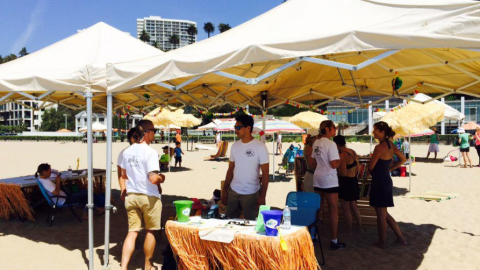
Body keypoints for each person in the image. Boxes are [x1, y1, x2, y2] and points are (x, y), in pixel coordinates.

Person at [120, 120, 165, 270]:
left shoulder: (127, 151)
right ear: (146, 132)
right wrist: (162, 178)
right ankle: (148, 266)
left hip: (131, 195)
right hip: (148, 196)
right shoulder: (151, 152)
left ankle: (123, 267)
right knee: (150, 231)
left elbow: (124, 175)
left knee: (132, 232)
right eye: (153, 130)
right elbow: (153, 178)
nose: (155, 133)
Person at [221, 115, 269, 220]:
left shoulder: (260, 147)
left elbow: (265, 174)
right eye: (235, 127)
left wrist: (262, 196)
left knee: (250, 227)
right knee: (229, 223)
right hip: (233, 192)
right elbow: (230, 169)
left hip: (251, 194)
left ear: (248, 128)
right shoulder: (234, 146)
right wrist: (225, 190)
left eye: (238, 127)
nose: (236, 130)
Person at [369, 121, 407, 249]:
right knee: (383, 212)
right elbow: (403, 159)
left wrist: (381, 168)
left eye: (375, 130)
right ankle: (400, 237)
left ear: (382, 132)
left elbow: (371, 168)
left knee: (380, 214)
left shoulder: (379, 148)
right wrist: (389, 169)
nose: (373, 132)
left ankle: (382, 242)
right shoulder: (391, 145)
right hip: (386, 179)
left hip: (379, 181)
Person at [308, 120, 345, 250]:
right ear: (328, 129)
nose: (335, 130)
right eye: (334, 128)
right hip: (329, 179)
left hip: (318, 177)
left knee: (318, 208)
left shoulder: (316, 143)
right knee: (333, 208)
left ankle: (313, 236)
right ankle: (334, 240)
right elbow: (334, 164)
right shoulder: (331, 144)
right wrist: (339, 159)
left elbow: (312, 163)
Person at [36, 163, 102, 220]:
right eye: (49, 171)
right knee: (86, 194)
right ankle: (86, 214)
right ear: (44, 172)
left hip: (61, 198)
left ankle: (98, 209)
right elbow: (56, 192)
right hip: (63, 200)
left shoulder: (40, 179)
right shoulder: (46, 182)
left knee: (83, 193)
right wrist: (58, 182)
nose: (50, 172)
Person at [333, 135, 363, 234]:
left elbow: (343, 173)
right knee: (354, 206)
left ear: (336, 144)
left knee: (345, 208)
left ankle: (349, 229)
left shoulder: (342, 156)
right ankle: (360, 226)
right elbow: (358, 167)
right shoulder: (352, 152)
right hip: (354, 180)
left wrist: (335, 172)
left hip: (345, 182)